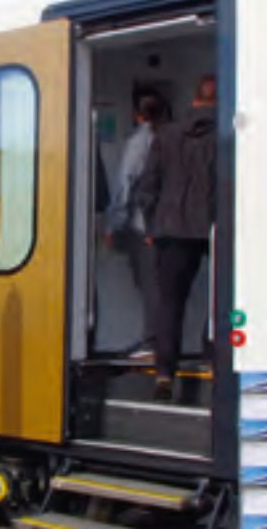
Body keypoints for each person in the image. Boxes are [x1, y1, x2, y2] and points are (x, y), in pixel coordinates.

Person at [135, 75, 217, 398]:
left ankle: (165, 372)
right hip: (213, 228)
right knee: (222, 297)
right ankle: (213, 357)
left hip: (171, 229)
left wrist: (152, 227)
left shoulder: (166, 135)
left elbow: (147, 187)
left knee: (169, 302)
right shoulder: (225, 135)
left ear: (194, 100)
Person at [104, 86, 165, 360]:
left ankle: (152, 342)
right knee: (165, 286)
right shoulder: (172, 137)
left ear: (138, 115)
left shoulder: (139, 142)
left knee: (149, 284)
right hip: (171, 224)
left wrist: (113, 224)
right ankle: (163, 340)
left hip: (143, 224)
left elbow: (125, 184)